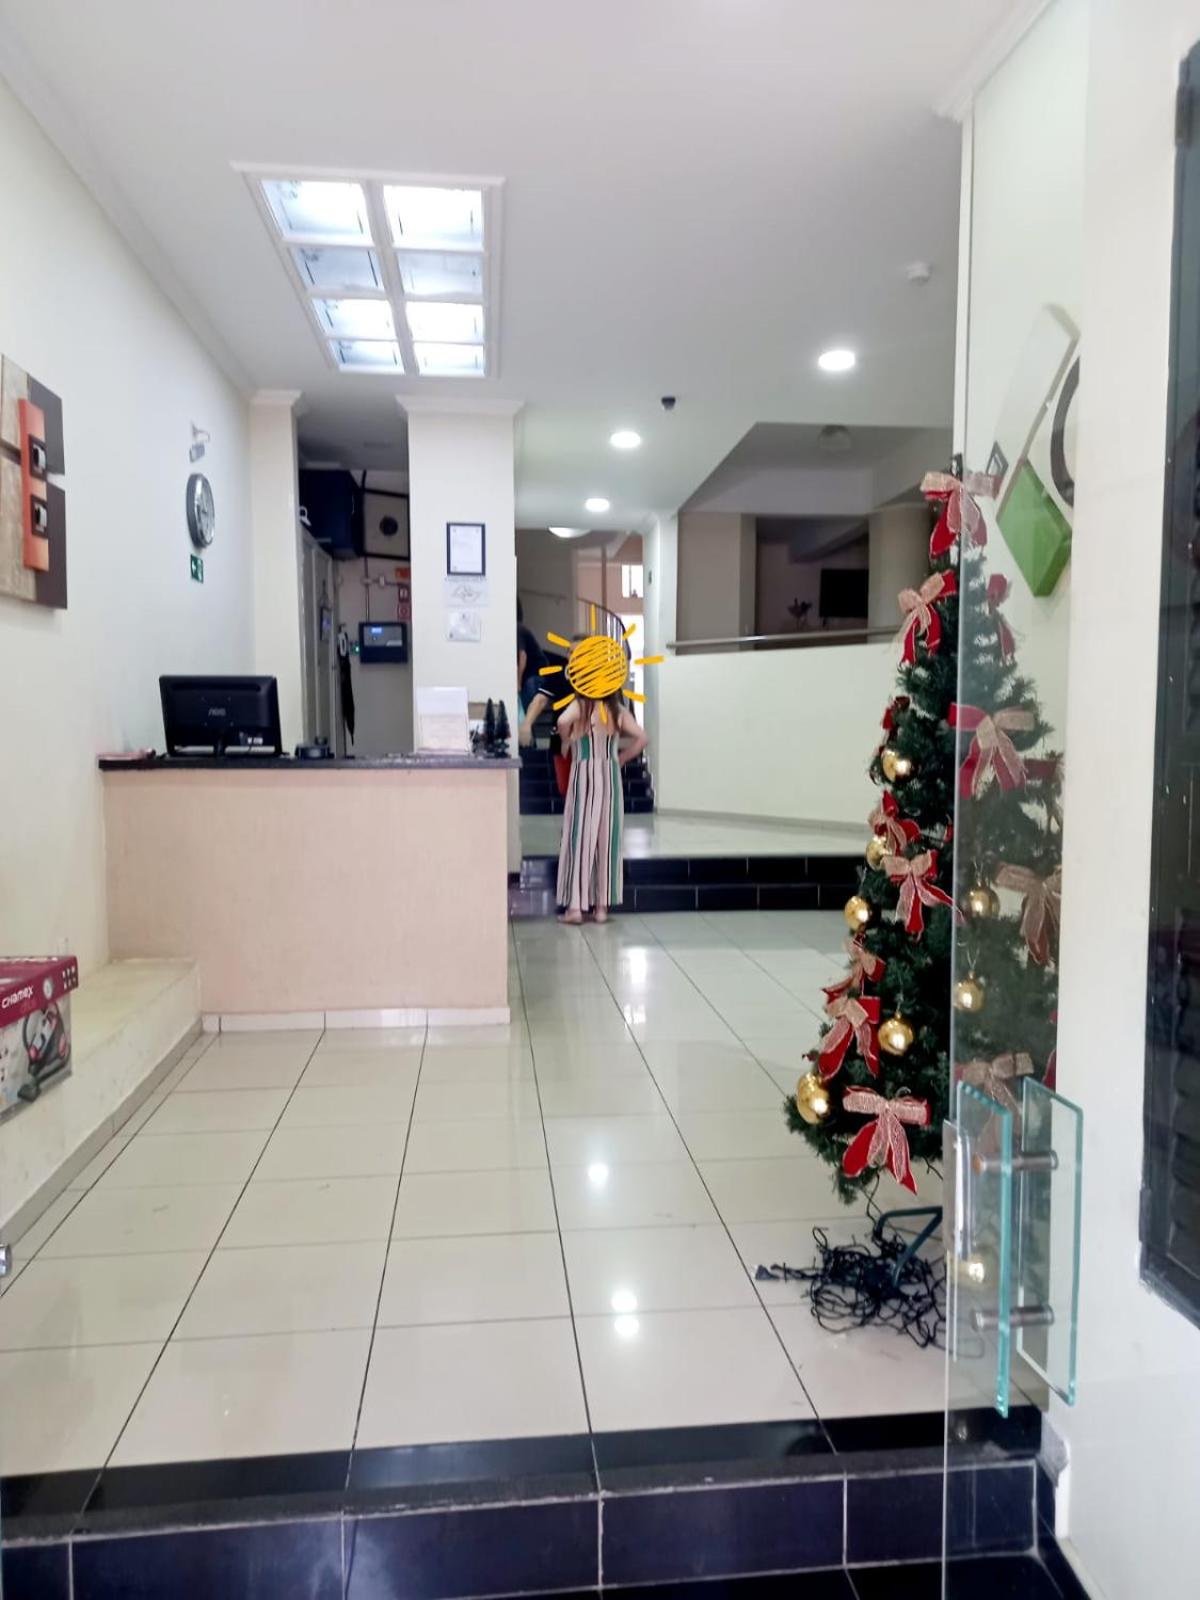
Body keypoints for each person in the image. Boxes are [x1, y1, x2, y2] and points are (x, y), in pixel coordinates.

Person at [555, 689, 648, 924]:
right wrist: (623, 757)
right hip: (610, 775)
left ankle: (575, 908)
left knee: (580, 837)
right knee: (607, 839)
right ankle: (601, 909)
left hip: (584, 774)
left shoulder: (581, 706)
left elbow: (562, 721)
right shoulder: (617, 709)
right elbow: (642, 737)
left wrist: (567, 738)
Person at [516, 599, 553, 746]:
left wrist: (518, 682)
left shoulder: (518, 628)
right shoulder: (518, 629)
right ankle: (529, 734)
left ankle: (528, 733)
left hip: (538, 676)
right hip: (533, 676)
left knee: (529, 698)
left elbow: (522, 656)